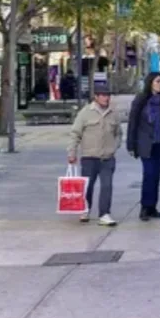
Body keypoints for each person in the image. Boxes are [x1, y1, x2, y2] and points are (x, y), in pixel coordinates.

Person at [128, 72, 160, 221]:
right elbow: (133, 122)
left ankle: (152, 207)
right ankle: (145, 207)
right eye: (157, 82)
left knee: (156, 176)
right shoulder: (141, 100)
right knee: (149, 175)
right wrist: (131, 144)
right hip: (146, 143)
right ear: (150, 82)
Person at [67, 85, 122, 226]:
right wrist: (72, 152)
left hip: (107, 158)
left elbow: (118, 133)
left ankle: (104, 214)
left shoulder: (113, 113)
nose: (106, 98)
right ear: (96, 97)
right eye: (103, 95)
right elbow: (75, 133)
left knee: (106, 186)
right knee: (88, 186)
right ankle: (85, 209)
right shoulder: (85, 113)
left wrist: (114, 147)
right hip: (89, 157)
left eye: (108, 95)